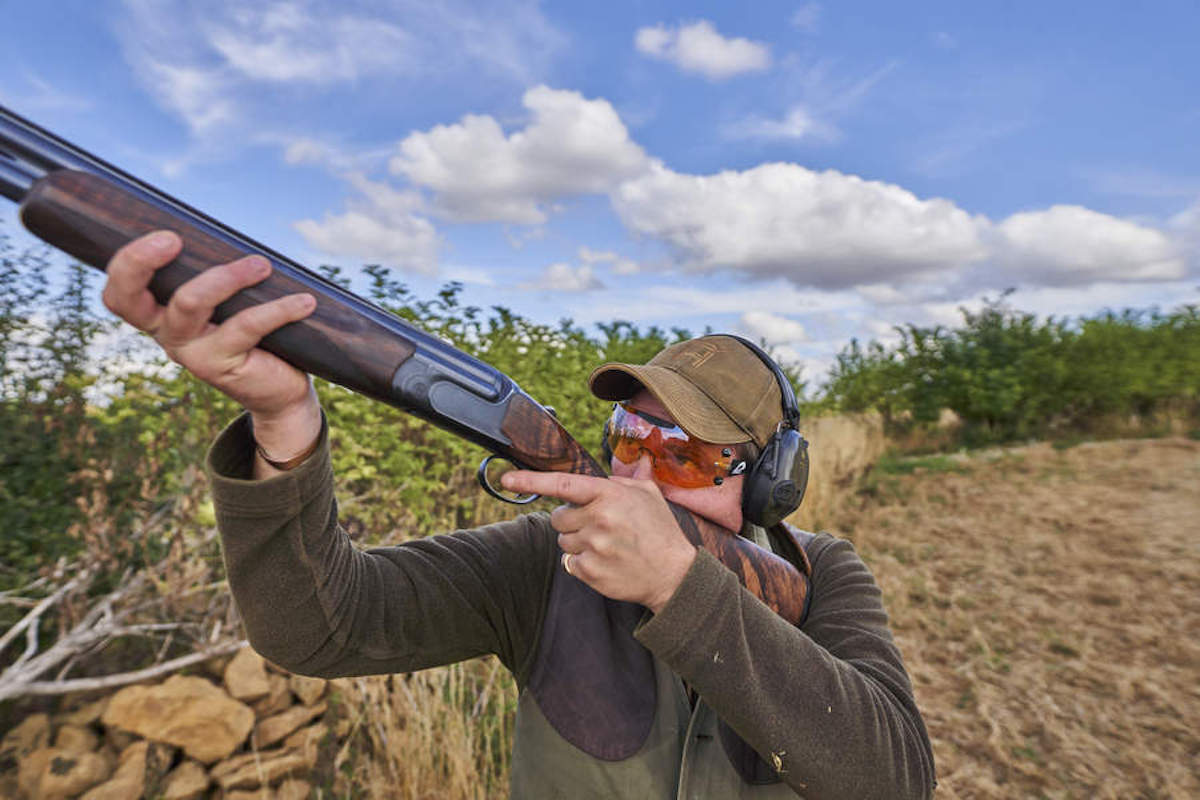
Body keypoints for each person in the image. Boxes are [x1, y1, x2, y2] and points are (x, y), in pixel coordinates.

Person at [101, 231, 936, 798]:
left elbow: (895, 778)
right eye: (628, 436)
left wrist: (682, 585)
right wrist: (284, 423)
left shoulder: (821, 575)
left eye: (685, 453)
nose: (639, 473)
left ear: (769, 483)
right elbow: (319, 628)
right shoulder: (549, 558)